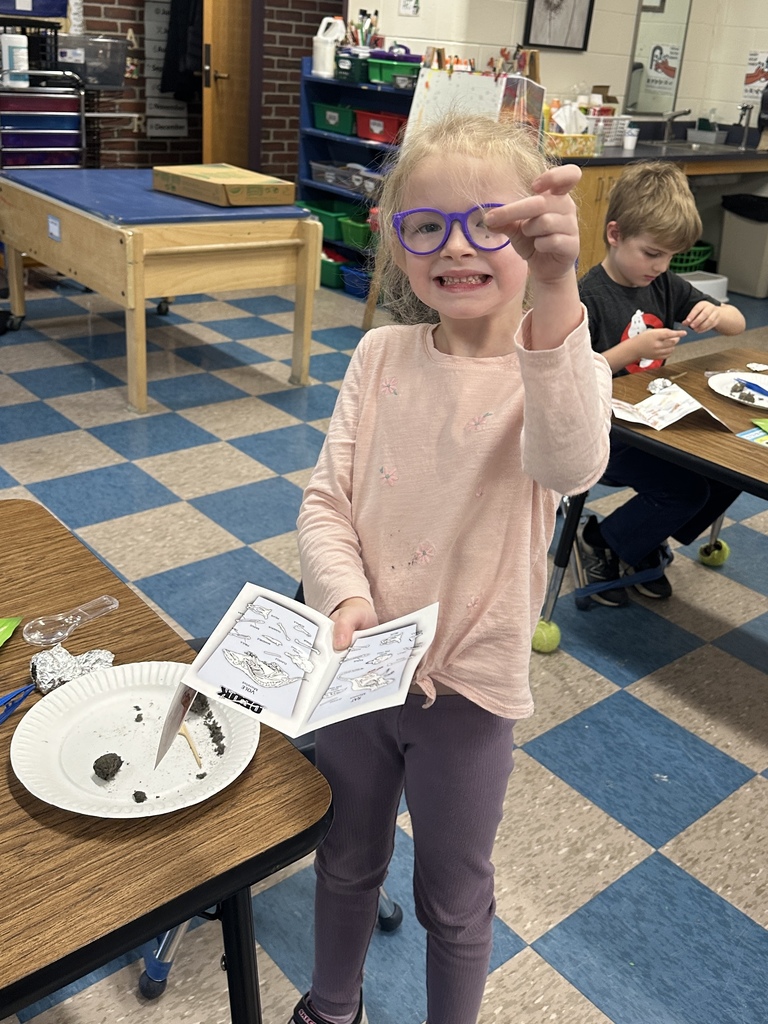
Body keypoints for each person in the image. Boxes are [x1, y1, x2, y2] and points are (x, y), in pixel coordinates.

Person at [292, 112, 612, 1024]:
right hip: (360, 670)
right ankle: (333, 1002)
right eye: (425, 225)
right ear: (397, 244)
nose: (457, 247)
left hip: (468, 698)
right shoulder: (380, 354)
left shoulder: (556, 367)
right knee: (345, 854)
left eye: (492, 222)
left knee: (455, 894)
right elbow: (326, 504)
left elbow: (571, 464)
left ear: (534, 229)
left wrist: (556, 290)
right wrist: (346, 596)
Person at [578, 160, 746, 605]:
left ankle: (645, 536)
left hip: (655, 421)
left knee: (730, 471)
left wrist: (718, 314)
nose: (661, 265)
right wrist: (633, 352)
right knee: (686, 489)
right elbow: (572, 378)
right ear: (615, 234)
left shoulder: (665, 284)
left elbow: (737, 322)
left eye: (670, 256)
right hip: (603, 434)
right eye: (652, 253)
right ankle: (606, 540)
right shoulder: (586, 297)